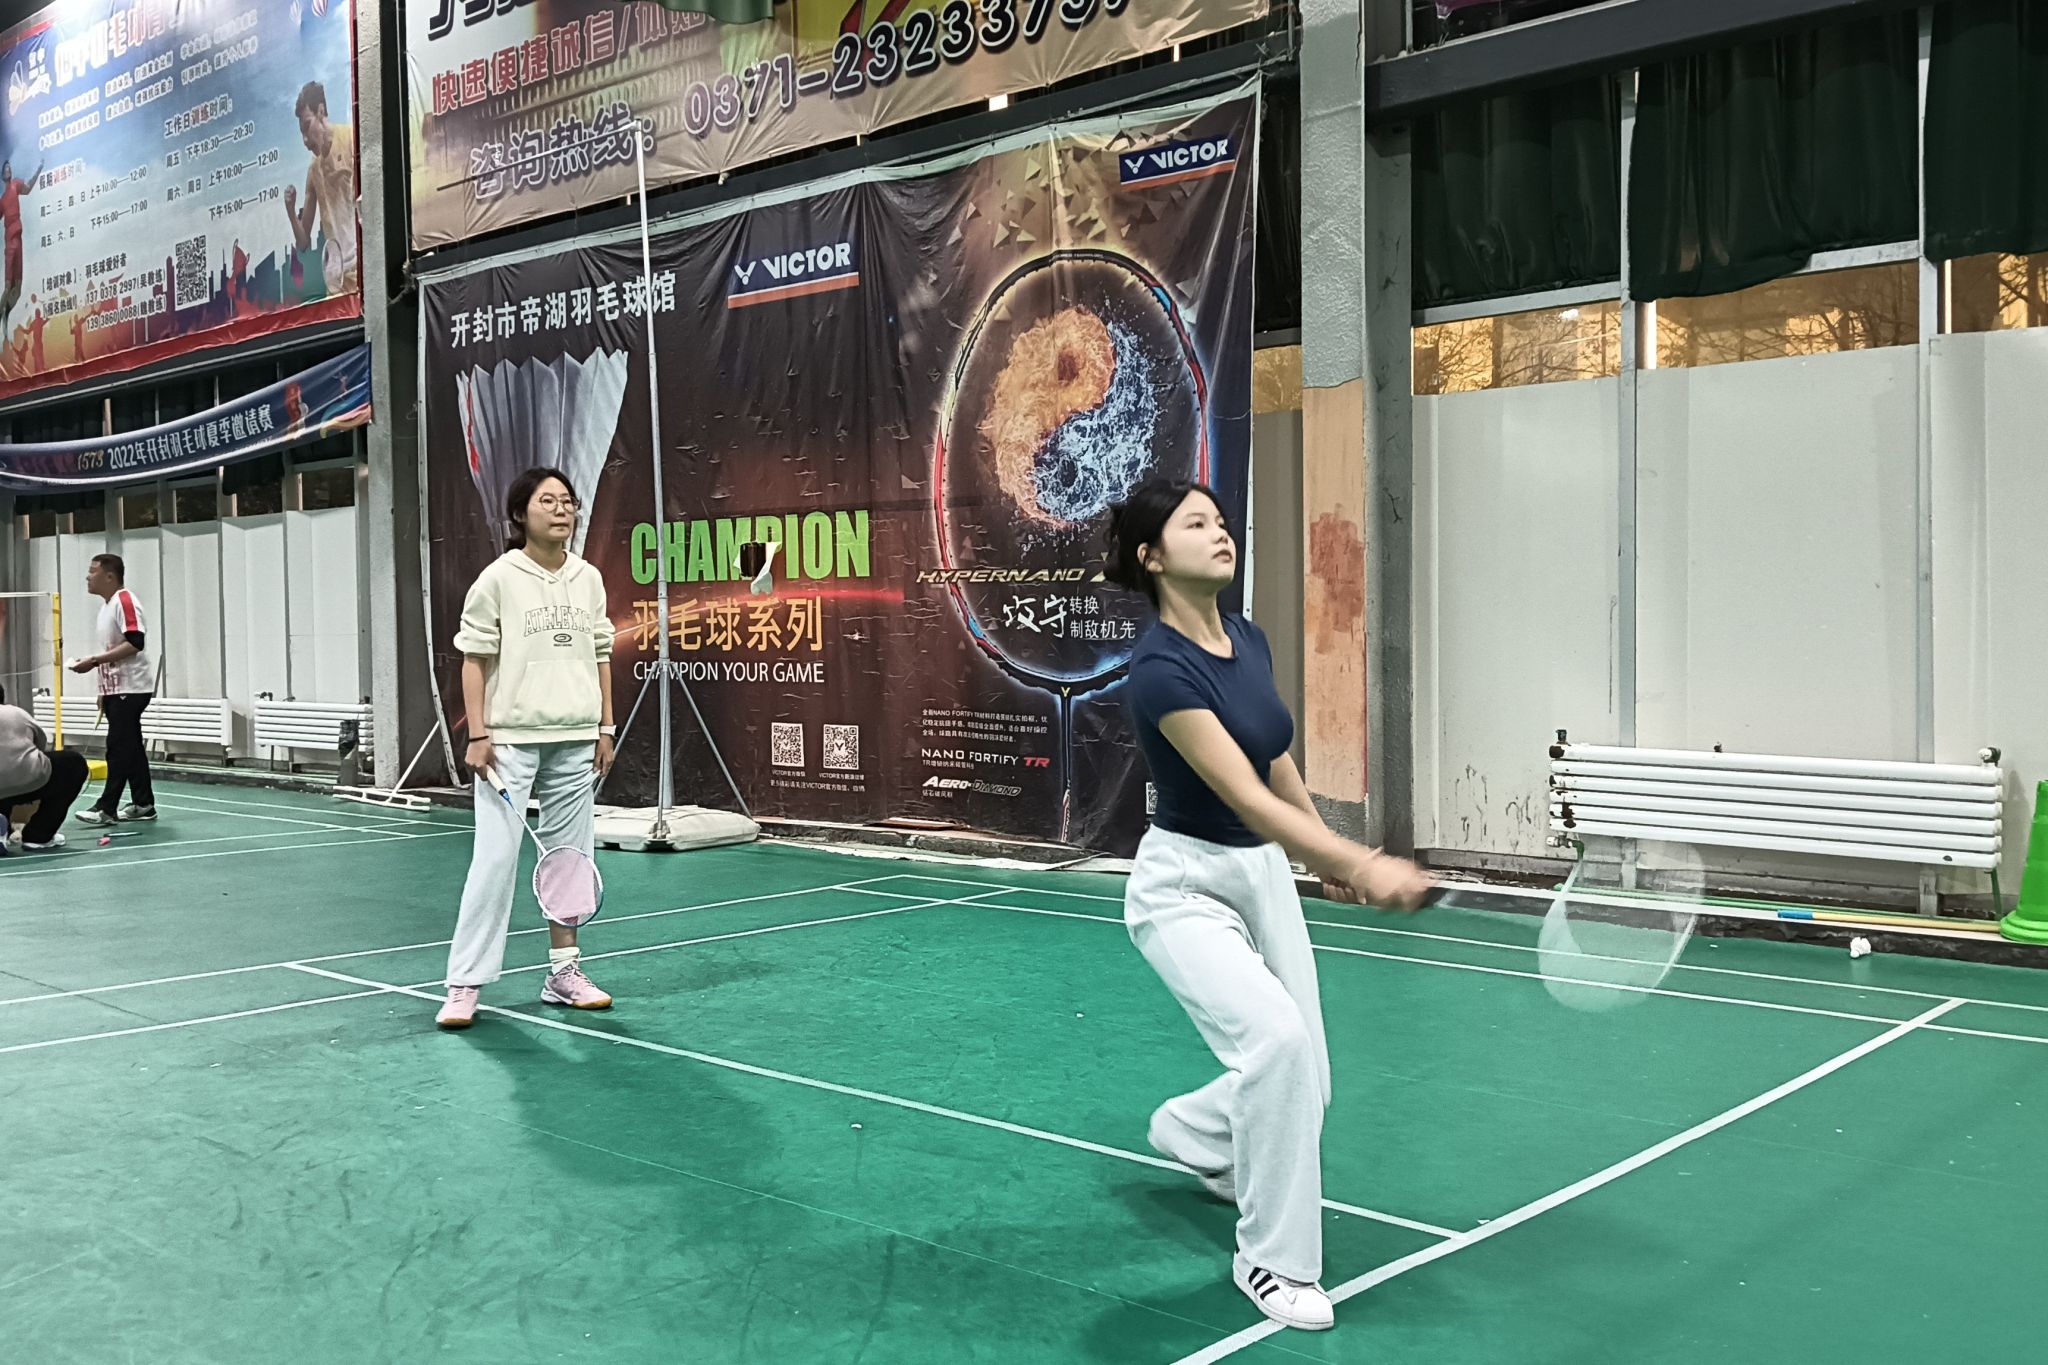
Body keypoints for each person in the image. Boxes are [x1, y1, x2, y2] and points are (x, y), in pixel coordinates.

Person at [1103, 477, 1434, 1333]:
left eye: (1222, 520)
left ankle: (1196, 1133)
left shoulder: (1246, 638)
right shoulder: (1158, 672)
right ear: (1151, 556)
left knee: (1306, 1079)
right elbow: (1243, 794)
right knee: (1277, 1043)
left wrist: (1319, 848)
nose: (1222, 532)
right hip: (1184, 885)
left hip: (1262, 874)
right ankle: (1272, 1262)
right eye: (1197, 524)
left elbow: (1273, 757)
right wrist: (1359, 860)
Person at [438, 466, 617, 1029]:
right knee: (494, 861)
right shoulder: (498, 578)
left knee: (570, 861)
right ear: (520, 514)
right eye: (548, 502)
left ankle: (564, 973)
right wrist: (479, 734)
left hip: (575, 738)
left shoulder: (588, 578)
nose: (562, 511)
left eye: (568, 502)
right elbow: (474, 659)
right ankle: (464, 983)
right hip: (509, 742)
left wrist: (606, 727)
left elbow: (601, 654)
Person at [71, 554, 155, 827]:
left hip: (131, 688)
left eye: (92, 571)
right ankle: (144, 803)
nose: (88, 576)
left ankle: (107, 808)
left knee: (118, 748)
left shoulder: (124, 601)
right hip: (116, 689)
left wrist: (94, 661)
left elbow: (135, 642)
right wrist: (104, 690)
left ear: (109, 576)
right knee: (131, 747)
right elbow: (113, 650)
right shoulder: (106, 607)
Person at [283, 81, 358, 298]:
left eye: (307, 127)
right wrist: (290, 210)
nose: (305, 141)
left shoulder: (351, 138)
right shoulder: (313, 170)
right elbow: (303, 241)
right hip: (335, 281)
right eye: (301, 133)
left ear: (321, 111)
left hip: (361, 269)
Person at [0, 683, 87, 852]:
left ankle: (3, 829)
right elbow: (40, 745)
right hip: (24, 781)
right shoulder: (15, 713)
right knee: (72, 763)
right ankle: (38, 835)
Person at [0, 156, 41, 332]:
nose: (8, 171)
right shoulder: (2, 200)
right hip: (9, 241)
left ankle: (6, 314)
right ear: (2, 175)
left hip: (19, 239)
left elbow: (29, 188)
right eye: (5, 169)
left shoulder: (16, 185)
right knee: (8, 287)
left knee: (18, 287)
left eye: (9, 168)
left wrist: (39, 169)